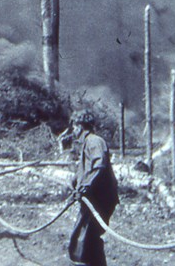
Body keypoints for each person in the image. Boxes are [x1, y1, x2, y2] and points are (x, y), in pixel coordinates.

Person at [68, 110, 119, 266]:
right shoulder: (87, 143)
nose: (73, 130)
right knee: (88, 238)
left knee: (83, 239)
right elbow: (86, 169)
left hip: (100, 200)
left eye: (75, 126)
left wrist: (85, 187)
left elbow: (99, 166)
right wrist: (75, 182)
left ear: (81, 126)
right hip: (92, 199)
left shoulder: (94, 141)